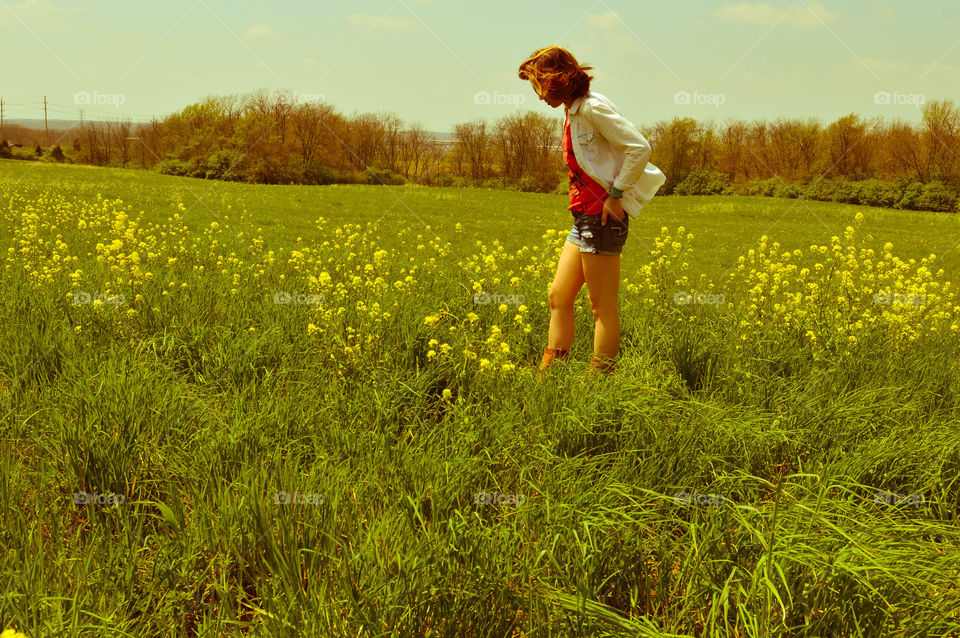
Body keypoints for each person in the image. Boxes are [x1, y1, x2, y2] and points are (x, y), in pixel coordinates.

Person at [518, 46, 666, 376]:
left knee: (601, 308)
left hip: (602, 219)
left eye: (539, 87)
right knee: (558, 297)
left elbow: (639, 148)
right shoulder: (575, 111)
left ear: (555, 81)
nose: (539, 96)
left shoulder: (592, 109)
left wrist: (616, 194)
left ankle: (599, 386)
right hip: (583, 218)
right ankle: (550, 376)